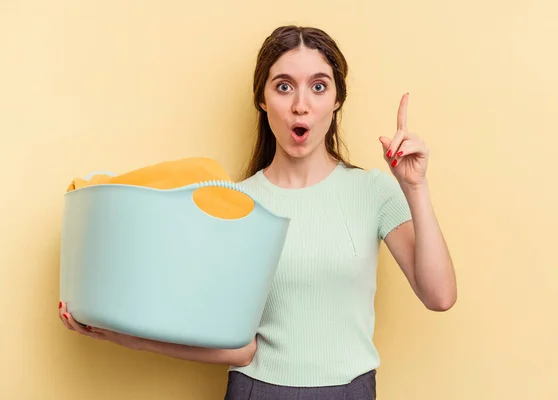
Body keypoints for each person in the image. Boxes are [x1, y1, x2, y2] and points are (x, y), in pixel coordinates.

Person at [59, 25, 457, 399]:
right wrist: (121, 336)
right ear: (262, 99)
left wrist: (415, 186)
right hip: (258, 390)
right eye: (284, 87)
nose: (301, 106)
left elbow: (439, 296)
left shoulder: (372, 190)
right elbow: (239, 349)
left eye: (318, 87)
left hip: (350, 391)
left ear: (336, 101)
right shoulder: (235, 204)